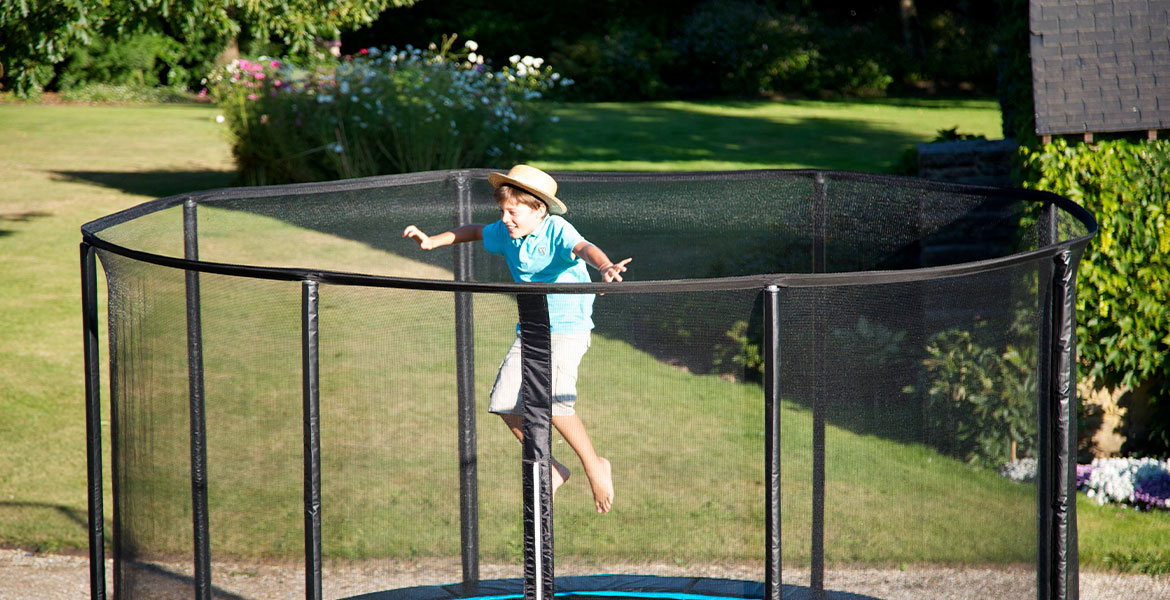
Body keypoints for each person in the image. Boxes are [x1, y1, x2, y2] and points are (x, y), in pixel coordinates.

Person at [402, 164, 630, 514]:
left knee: (553, 401)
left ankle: (594, 465)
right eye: (503, 211)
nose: (506, 219)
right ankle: (552, 467)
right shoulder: (505, 232)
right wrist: (434, 240)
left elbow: (585, 247)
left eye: (514, 212)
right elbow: (475, 230)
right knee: (505, 401)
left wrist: (605, 266)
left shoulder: (556, 229)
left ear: (539, 209)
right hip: (532, 327)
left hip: (568, 327)